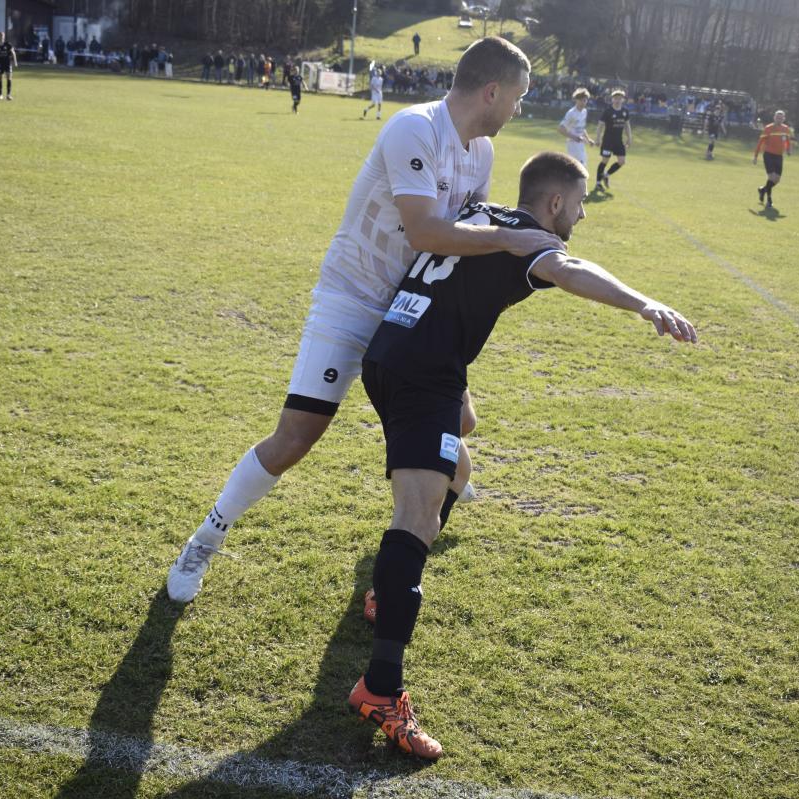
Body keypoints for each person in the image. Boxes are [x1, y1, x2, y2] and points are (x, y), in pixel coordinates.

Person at [166, 37, 563, 604]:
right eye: (518, 97)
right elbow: (426, 231)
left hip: (410, 306)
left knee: (462, 421)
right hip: (351, 297)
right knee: (296, 437)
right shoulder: (414, 129)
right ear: (492, 91)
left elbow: (465, 235)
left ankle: (446, 483)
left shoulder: (481, 153)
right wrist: (509, 238)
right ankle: (204, 540)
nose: (519, 109)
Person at [349, 151, 697, 759]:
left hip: (394, 351)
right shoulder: (531, 238)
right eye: (579, 204)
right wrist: (644, 304)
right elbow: (569, 268)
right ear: (555, 202)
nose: (582, 215)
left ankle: (390, 587)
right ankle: (380, 688)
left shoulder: (485, 215)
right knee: (417, 519)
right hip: (422, 375)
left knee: (461, 446)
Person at [753, 109, 792, 209]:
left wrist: (788, 149)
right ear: (774, 118)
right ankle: (769, 200)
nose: (779, 119)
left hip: (779, 156)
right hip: (768, 155)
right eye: (777, 117)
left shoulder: (786, 129)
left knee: (777, 180)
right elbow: (760, 142)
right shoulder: (768, 128)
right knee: (771, 177)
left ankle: (763, 190)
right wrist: (755, 156)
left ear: (784, 119)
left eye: (781, 118)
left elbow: (788, 141)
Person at [594, 89, 632, 190]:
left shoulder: (625, 111)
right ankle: (598, 183)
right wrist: (598, 138)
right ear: (612, 99)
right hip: (607, 141)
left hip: (618, 141)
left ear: (623, 100)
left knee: (622, 161)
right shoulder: (608, 111)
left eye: (620, 98)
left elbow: (627, 125)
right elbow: (600, 125)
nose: (617, 100)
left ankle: (606, 175)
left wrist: (629, 138)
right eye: (615, 98)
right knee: (605, 161)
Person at [558, 88, 594, 190]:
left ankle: (569, 185)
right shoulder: (571, 113)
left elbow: (582, 129)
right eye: (581, 100)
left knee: (578, 166)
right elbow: (561, 129)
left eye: (585, 100)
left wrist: (588, 139)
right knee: (580, 166)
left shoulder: (584, 112)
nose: (584, 102)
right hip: (572, 144)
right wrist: (574, 137)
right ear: (576, 100)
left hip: (580, 143)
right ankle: (579, 189)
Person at [0, 31, 17, 100]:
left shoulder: (8, 44)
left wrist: (15, 62)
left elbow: (13, 53)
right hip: (0, 64)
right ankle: (0, 95)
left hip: (7, 63)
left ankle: (8, 95)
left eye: (2, 36)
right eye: (0, 36)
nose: (1, 37)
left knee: (9, 78)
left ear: (4, 37)